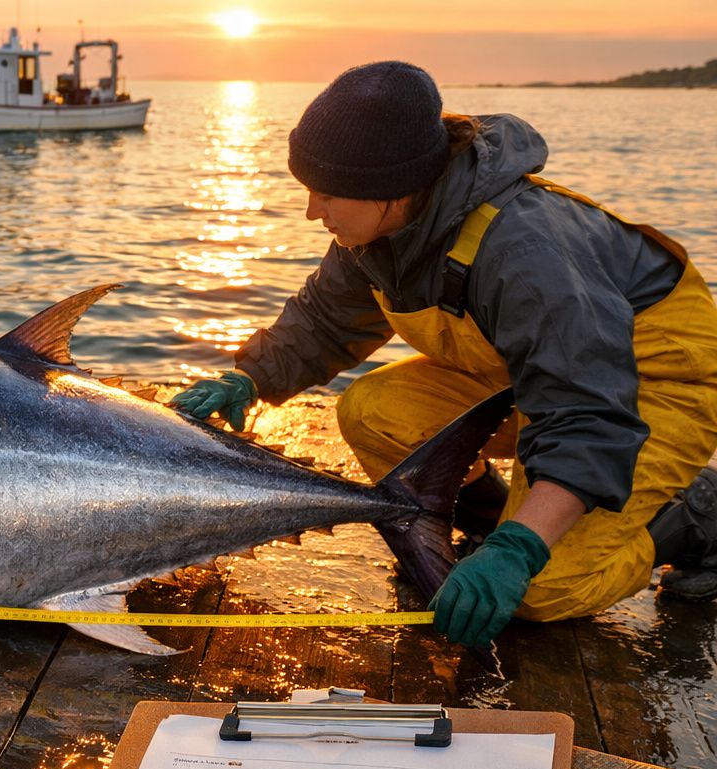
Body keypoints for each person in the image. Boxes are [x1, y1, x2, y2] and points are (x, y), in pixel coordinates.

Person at [170, 61, 717, 646]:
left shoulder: (526, 250)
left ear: (392, 188)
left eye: (327, 194)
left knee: (541, 590)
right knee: (371, 408)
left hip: (644, 384)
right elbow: (325, 321)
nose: (311, 211)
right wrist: (248, 379)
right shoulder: (378, 233)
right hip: (530, 378)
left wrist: (521, 549)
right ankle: (485, 519)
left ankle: (690, 521)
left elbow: (588, 414)